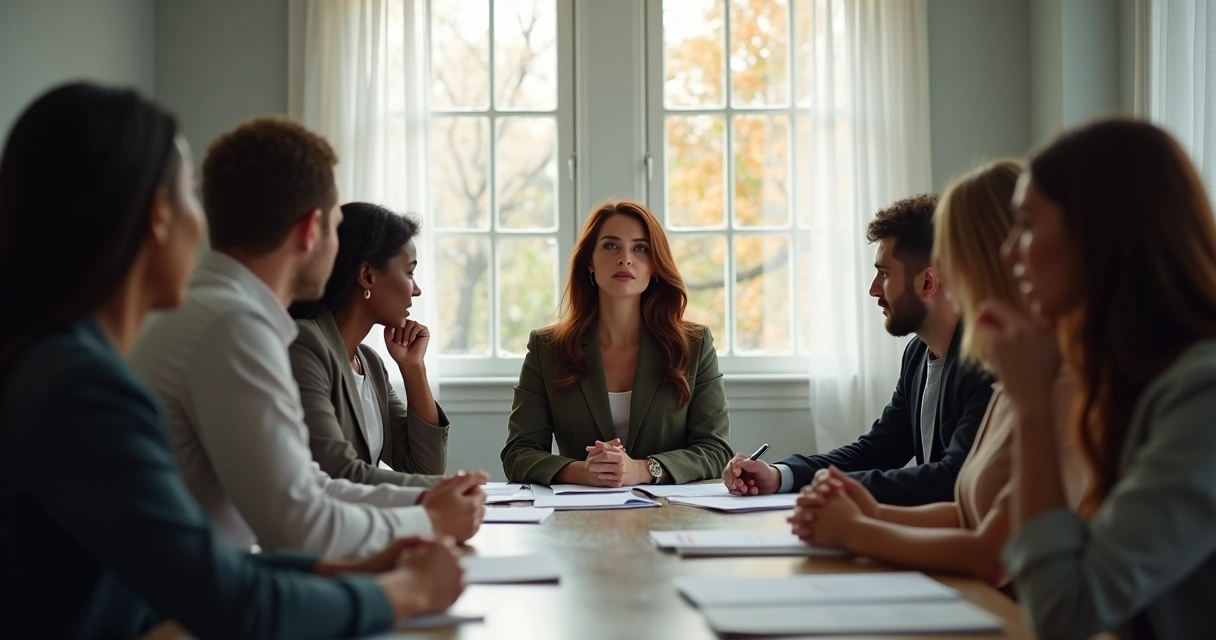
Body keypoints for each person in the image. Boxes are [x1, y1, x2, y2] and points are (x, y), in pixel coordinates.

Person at [0, 82, 464, 639]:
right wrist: (404, 590)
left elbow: (200, 561)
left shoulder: (65, 363)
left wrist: (352, 568)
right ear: (159, 217)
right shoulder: (95, 382)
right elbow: (233, 590)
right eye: (191, 196)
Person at [131, 116, 486, 559]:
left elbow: (309, 486)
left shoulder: (221, 315)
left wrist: (427, 501)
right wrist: (429, 521)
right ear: (309, 231)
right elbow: (297, 524)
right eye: (334, 224)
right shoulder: (233, 328)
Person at [785, 160, 1087, 586]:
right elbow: (971, 510)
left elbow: (991, 544)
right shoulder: (1011, 362)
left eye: (955, 252)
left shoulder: (1042, 373)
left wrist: (857, 529)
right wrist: (862, 507)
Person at [978, 120, 1216, 639]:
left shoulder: (1203, 394)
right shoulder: (1134, 377)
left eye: (1027, 224)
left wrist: (1033, 408)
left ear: (1100, 233)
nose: (1009, 252)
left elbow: (1067, 614)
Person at [723, 195, 995, 505]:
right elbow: (877, 450)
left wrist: (830, 487)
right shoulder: (917, 354)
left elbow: (951, 478)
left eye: (885, 273)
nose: (874, 289)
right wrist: (780, 475)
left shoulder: (986, 360)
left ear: (928, 282)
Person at [501, 198, 731, 486]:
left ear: (655, 265)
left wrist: (642, 470)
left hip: (671, 515)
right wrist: (582, 471)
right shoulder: (547, 348)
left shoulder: (694, 346)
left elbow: (716, 450)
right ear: (589, 261)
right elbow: (518, 453)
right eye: (611, 246)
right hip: (580, 516)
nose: (625, 258)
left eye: (640, 248)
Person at [289, 202, 448, 487]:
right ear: (367, 276)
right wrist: (449, 489)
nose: (417, 289)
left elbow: (424, 469)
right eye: (410, 273)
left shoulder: (370, 363)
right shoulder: (305, 346)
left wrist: (413, 367)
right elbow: (336, 474)